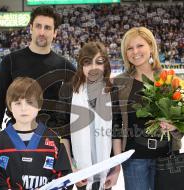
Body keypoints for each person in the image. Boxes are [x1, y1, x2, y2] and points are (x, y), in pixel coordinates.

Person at [113, 27, 183, 190]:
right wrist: (116, 161)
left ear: (151, 47)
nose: (135, 52)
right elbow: (115, 125)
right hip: (134, 160)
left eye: (140, 46)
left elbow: (183, 124)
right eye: (129, 48)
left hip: (167, 157)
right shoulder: (119, 82)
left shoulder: (169, 79)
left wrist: (174, 125)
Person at [0, 6, 76, 138]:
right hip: (16, 133)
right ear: (31, 28)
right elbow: (0, 95)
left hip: (51, 136)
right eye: (38, 26)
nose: (42, 32)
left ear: (55, 32)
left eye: (47, 27)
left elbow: (71, 107)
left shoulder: (66, 67)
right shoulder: (10, 61)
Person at [0, 77, 72, 189]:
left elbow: (64, 176)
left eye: (29, 102)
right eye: (18, 103)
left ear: (39, 105)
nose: (24, 108)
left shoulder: (53, 139)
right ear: (10, 106)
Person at [56, 42, 122, 190]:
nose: (93, 68)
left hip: (106, 167)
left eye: (98, 62)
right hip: (79, 168)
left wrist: (117, 168)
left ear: (105, 65)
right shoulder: (68, 89)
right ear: (81, 65)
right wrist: (72, 169)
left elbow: (116, 130)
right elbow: (63, 134)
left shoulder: (112, 89)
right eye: (88, 63)